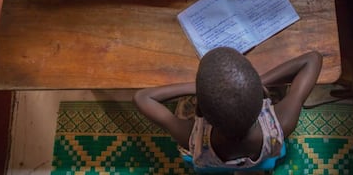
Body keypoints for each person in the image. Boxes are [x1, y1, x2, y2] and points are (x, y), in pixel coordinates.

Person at [133, 47, 322, 172]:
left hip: (210, 164)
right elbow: (313, 59)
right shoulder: (282, 123)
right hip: (261, 159)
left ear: (199, 110)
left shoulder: (191, 136)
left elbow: (142, 97)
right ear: (265, 95)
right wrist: (255, 83)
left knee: (181, 108)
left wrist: (201, 89)